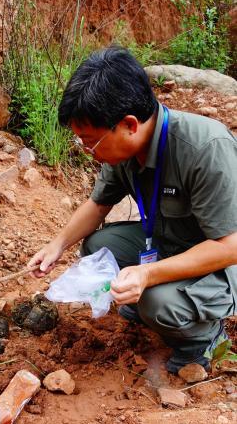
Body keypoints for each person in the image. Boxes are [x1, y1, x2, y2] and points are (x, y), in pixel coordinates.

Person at [28, 46, 237, 373]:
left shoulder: (205, 148)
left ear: (129, 124)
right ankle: (145, 304)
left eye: (91, 142)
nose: (87, 151)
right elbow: (98, 205)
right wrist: (56, 245)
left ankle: (204, 340)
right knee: (98, 247)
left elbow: (230, 247)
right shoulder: (124, 151)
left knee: (156, 302)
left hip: (219, 262)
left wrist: (147, 275)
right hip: (167, 241)